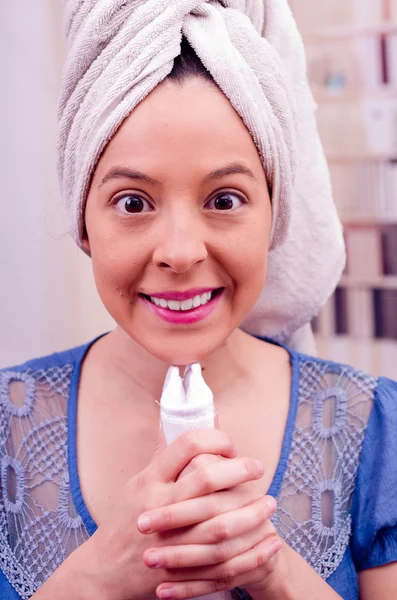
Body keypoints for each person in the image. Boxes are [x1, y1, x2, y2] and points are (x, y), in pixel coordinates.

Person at [0, 1, 396, 599]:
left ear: (275, 216)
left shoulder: (374, 431)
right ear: (83, 222)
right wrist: (97, 577)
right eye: (133, 202)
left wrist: (273, 571)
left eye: (225, 199)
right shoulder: (8, 427)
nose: (181, 253)